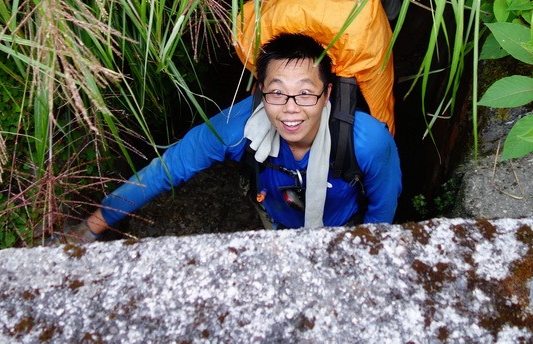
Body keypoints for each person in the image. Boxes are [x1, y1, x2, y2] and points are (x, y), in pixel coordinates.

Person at [51, 32, 401, 244]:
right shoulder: (239, 129)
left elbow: (383, 208)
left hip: (343, 225)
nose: (290, 109)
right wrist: (91, 227)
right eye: (277, 93)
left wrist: (358, 252)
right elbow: (167, 169)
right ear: (260, 91)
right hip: (276, 220)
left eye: (305, 94)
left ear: (327, 95)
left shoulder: (365, 140)